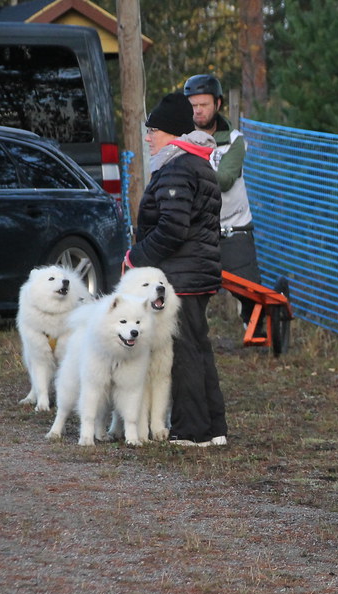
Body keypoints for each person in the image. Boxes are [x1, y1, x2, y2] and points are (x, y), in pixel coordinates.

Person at [126, 92, 228, 447]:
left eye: (153, 130)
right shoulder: (193, 163)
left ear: (171, 132)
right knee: (199, 348)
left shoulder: (178, 167)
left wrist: (136, 257)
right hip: (195, 271)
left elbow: (172, 228)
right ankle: (214, 429)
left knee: (184, 352)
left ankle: (191, 431)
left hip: (181, 276)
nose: (149, 136)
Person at [183, 73, 265, 330]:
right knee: (188, 291)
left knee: (250, 293)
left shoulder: (234, 141)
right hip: (198, 230)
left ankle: (257, 327)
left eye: (203, 105)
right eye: (193, 105)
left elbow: (226, 179)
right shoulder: (182, 138)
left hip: (234, 228)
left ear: (217, 104)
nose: (198, 111)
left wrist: (192, 170)